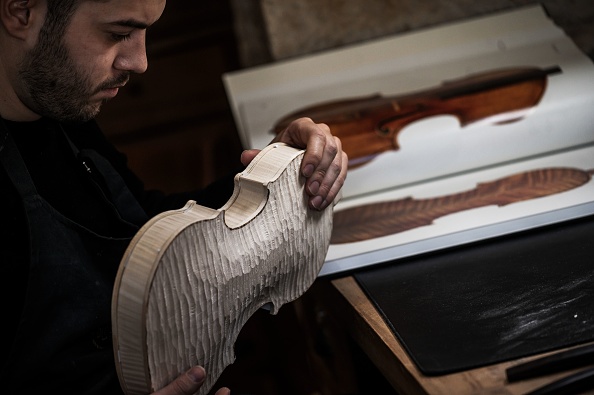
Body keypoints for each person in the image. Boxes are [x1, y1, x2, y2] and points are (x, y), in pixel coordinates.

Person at [0, 0, 347, 394]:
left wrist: (274, 178)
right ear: (21, 12)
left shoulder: (61, 108)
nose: (140, 61)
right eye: (117, 34)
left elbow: (141, 226)